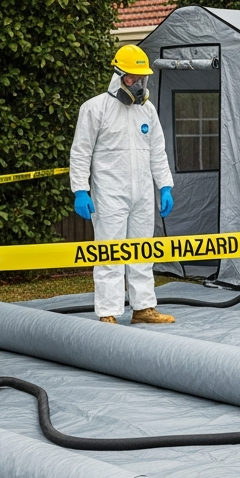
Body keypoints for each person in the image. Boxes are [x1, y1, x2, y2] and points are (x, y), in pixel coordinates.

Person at [69, 44, 176, 325]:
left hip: (142, 193)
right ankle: (108, 311)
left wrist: (164, 185)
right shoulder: (94, 109)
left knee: (143, 251)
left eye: (142, 79)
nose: (138, 84)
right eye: (132, 78)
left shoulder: (147, 111)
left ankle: (143, 308)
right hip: (109, 195)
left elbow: (158, 150)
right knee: (109, 253)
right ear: (118, 76)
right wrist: (80, 189)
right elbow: (81, 152)